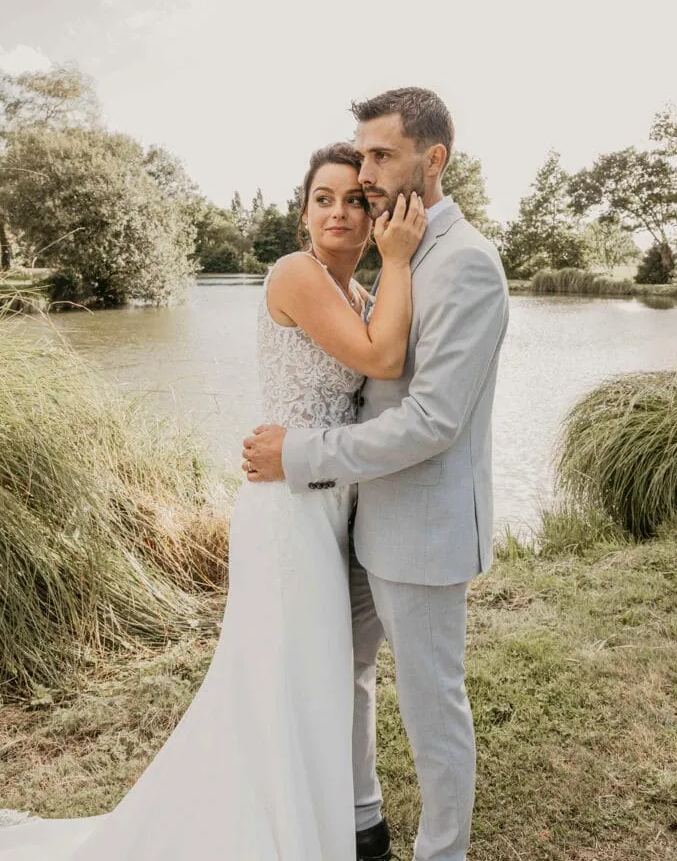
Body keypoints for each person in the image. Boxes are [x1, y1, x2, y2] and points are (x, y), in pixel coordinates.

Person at [0, 142, 426, 861]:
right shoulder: (296, 274)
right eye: (324, 198)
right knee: (283, 676)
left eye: (356, 199)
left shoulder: (355, 294)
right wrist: (404, 260)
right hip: (286, 512)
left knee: (312, 677)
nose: (340, 212)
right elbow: (382, 359)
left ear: (374, 211)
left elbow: (388, 359)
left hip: (328, 508)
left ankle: (317, 825)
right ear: (303, 213)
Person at [243, 87, 510, 861]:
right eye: (362, 155)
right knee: (346, 675)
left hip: (419, 528)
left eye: (383, 156)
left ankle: (442, 853)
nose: (367, 174)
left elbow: (432, 419)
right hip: (352, 521)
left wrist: (300, 454)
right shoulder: (395, 257)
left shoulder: (465, 264)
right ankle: (363, 826)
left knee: (433, 710)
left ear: (435, 159)